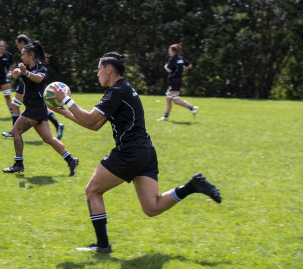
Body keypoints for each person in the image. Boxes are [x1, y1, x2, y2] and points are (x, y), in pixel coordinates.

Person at [48, 52, 221, 253]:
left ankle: (103, 245)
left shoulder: (116, 92)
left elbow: (88, 120)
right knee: (152, 207)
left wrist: (66, 99)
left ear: (108, 69)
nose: (97, 74)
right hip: (146, 152)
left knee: (93, 191)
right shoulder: (123, 89)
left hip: (128, 153)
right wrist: (62, 112)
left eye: (99, 70)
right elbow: (93, 125)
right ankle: (192, 186)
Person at [2, 41, 78, 176]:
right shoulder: (25, 67)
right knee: (49, 139)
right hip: (37, 108)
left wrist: (25, 73)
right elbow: (21, 71)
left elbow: (38, 79)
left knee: (15, 132)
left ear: (31, 55)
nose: (21, 57)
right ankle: (71, 160)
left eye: (23, 54)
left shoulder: (40, 68)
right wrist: (17, 73)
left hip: (35, 108)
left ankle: (18, 164)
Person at [1, 34, 65, 139]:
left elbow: (37, 73)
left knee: (27, 106)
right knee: (31, 106)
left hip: (28, 86)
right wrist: (16, 73)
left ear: (22, 43)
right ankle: (57, 126)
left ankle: (14, 131)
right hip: (26, 83)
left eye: (18, 44)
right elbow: (20, 68)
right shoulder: (26, 55)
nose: (17, 47)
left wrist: (23, 73)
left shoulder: (30, 54)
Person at [159, 44, 198, 121]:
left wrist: (165, 67)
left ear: (173, 51)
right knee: (168, 99)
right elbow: (189, 65)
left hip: (174, 81)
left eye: (169, 51)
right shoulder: (181, 58)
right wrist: (182, 69)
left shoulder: (172, 59)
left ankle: (192, 108)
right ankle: (165, 116)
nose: (168, 52)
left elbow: (169, 70)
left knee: (176, 101)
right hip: (177, 80)